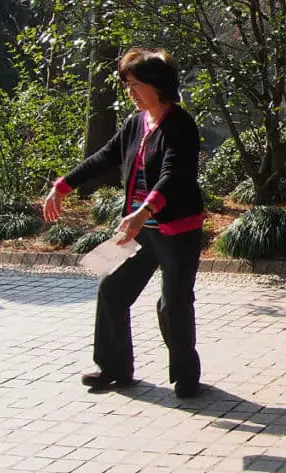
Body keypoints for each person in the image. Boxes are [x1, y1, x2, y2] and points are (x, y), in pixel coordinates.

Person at [43, 47, 205, 399]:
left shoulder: (180, 125)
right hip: (136, 228)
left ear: (156, 84)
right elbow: (105, 156)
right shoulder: (135, 122)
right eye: (126, 85)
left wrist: (142, 213)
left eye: (134, 84)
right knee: (112, 290)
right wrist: (63, 185)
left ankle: (185, 375)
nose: (129, 92)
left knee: (173, 303)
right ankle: (113, 368)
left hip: (175, 230)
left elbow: (174, 176)